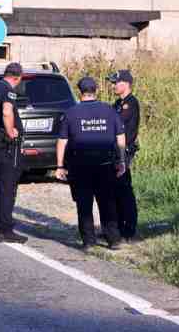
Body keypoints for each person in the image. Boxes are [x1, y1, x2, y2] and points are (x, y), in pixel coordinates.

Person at [55, 76, 127, 250]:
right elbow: (120, 138)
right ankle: (114, 239)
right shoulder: (109, 110)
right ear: (96, 91)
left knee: (84, 204)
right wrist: (122, 160)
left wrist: (59, 166)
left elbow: (62, 141)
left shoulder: (71, 112)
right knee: (107, 202)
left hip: (80, 166)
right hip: (105, 164)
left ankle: (88, 241)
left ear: (80, 92)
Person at [0, 62, 27, 243]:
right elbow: (7, 112)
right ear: (17, 77)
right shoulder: (8, 90)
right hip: (7, 144)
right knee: (8, 187)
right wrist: (10, 131)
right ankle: (5, 230)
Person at [108, 69, 140, 241]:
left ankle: (129, 229)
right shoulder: (118, 103)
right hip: (115, 151)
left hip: (124, 151)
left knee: (124, 190)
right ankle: (119, 227)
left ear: (126, 84)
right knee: (115, 191)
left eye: (115, 82)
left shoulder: (130, 103)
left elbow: (117, 125)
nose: (113, 86)